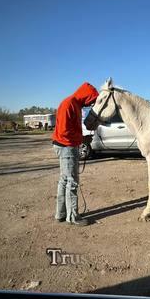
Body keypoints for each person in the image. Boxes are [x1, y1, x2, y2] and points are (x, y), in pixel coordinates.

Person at [52, 82, 99, 226]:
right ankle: (73, 217)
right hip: (66, 147)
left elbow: (70, 129)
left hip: (67, 145)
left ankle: (60, 214)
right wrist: (82, 139)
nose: (90, 103)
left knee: (64, 180)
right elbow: (65, 131)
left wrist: (81, 138)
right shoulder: (69, 104)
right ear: (85, 95)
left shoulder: (75, 105)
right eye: (91, 100)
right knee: (71, 181)